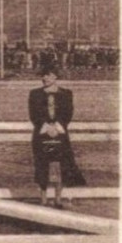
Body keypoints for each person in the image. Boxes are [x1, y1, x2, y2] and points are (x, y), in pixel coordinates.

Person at [28, 68, 85, 207]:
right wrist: (47, 127)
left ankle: (58, 198)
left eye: (48, 75)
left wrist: (57, 127)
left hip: (60, 133)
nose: (45, 78)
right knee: (42, 164)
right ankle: (43, 198)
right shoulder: (34, 94)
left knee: (61, 165)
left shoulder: (66, 93)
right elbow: (33, 114)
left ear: (56, 77)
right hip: (41, 134)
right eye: (43, 75)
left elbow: (68, 113)